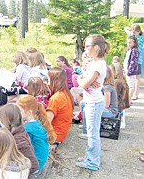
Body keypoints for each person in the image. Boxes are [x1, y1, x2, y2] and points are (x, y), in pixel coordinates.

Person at [76, 34, 110, 171]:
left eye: (88, 46)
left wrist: (80, 79)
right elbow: (85, 77)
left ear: (96, 48)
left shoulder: (99, 65)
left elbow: (83, 84)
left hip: (94, 103)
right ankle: (89, 156)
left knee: (93, 134)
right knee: (91, 132)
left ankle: (93, 162)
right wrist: (84, 77)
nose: (86, 49)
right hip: (91, 101)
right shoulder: (94, 63)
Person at [0, 104, 39, 177]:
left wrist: (14, 174)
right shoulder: (17, 132)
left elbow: (34, 164)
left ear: (5, 121)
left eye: (0, 120)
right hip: (9, 166)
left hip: (12, 170)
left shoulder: (20, 141)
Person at [16, 95, 56, 177]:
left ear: (29, 112)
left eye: (19, 110)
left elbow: (21, 148)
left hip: (34, 165)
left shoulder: (27, 129)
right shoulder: (38, 123)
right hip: (41, 161)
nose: (17, 113)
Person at [46, 67, 74, 144]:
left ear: (53, 80)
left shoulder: (56, 98)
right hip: (62, 132)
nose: (47, 82)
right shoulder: (66, 93)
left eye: (48, 79)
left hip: (55, 135)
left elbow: (46, 122)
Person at [123, 35, 139, 104]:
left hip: (130, 71)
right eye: (127, 42)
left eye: (130, 43)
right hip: (126, 69)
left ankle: (129, 100)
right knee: (128, 85)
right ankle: (127, 99)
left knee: (131, 85)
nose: (128, 44)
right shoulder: (129, 50)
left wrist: (129, 71)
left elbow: (133, 62)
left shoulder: (134, 51)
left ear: (134, 43)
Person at [130, 24, 144, 100]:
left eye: (135, 32)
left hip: (138, 59)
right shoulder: (132, 37)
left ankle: (136, 93)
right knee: (131, 76)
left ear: (139, 31)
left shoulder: (141, 37)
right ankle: (132, 93)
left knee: (137, 77)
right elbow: (126, 28)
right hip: (131, 59)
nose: (134, 33)